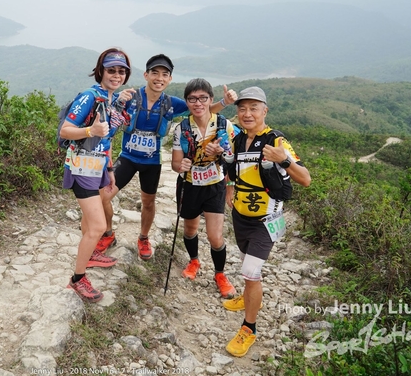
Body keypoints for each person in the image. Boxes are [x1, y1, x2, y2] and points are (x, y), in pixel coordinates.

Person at [98, 54, 238, 261]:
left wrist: (224, 102)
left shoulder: (171, 104)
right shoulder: (130, 97)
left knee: (148, 202)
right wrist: (117, 102)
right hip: (127, 157)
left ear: (170, 79)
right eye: (155, 73)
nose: (159, 78)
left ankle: (143, 237)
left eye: (165, 74)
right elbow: (106, 114)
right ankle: (108, 233)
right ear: (146, 75)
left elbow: (201, 109)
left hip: (152, 162)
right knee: (103, 196)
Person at [223, 86, 311, 357]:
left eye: (253, 108)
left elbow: (305, 179)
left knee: (251, 272)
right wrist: (229, 189)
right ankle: (250, 297)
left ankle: (249, 328)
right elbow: (233, 170)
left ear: (265, 111)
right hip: (240, 216)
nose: (247, 114)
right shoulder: (239, 140)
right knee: (246, 265)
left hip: (265, 219)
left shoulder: (276, 141)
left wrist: (284, 160)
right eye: (242, 109)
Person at [60, 48, 132, 303]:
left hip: (97, 166)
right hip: (81, 167)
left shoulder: (109, 100)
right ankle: (77, 279)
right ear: (101, 71)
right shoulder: (89, 96)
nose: (116, 75)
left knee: (91, 221)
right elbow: (66, 130)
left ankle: (89, 254)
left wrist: (109, 170)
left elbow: (106, 139)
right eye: (111, 70)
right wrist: (90, 130)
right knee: (99, 226)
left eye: (121, 71)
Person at [170, 78, 237, 298]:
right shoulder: (182, 128)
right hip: (189, 185)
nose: (198, 103)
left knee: (215, 237)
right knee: (190, 229)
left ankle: (220, 274)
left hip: (214, 185)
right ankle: (194, 261)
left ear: (210, 99)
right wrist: (182, 165)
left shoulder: (224, 125)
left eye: (202, 98)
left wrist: (221, 153)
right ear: (187, 102)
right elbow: (175, 164)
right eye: (192, 99)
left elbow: (233, 158)